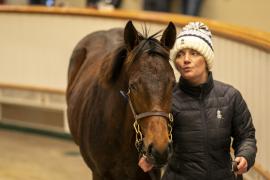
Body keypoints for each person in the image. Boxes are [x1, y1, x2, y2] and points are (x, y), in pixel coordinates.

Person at [138, 22, 257, 180]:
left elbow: (246, 136)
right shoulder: (167, 99)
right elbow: (157, 139)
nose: (185, 60)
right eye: (180, 55)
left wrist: (245, 156)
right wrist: (151, 158)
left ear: (206, 59)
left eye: (194, 53)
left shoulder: (230, 96)